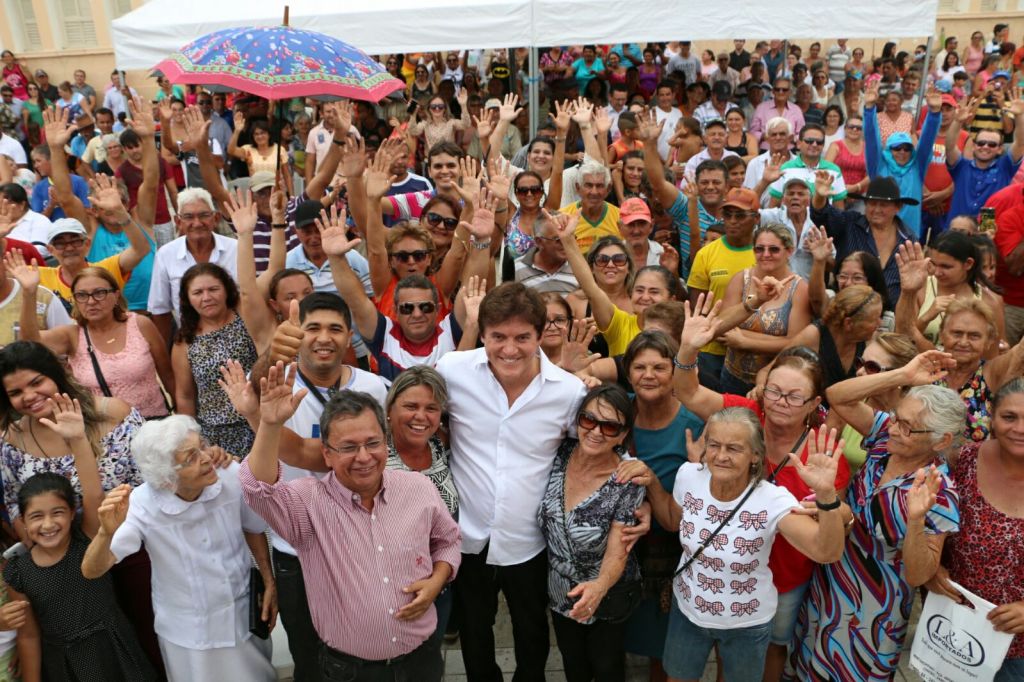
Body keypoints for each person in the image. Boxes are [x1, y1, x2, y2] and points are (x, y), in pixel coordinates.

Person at [241, 365, 462, 682]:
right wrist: (270, 425)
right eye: (348, 447)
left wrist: (436, 581)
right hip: (351, 672)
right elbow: (257, 490)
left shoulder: (417, 488)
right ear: (327, 454)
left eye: (372, 443)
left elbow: (448, 542)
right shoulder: (307, 504)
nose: (363, 457)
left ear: (385, 442)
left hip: (422, 661)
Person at [434, 283, 592, 680]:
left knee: (532, 631)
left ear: (540, 335)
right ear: (482, 333)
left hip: (530, 540)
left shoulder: (569, 392)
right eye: (498, 337)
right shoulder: (453, 371)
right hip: (467, 535)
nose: (509, 348)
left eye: (522, 337)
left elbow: (591, 449)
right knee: (473, 630)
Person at [617, 408, 846, 682]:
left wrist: (826, 496)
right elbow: (670, 520)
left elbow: (826, 551)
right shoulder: (688, 475)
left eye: (734, 448)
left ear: (755, 456)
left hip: (746, 623)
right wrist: (653, 481)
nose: (721, 456)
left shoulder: (772, 500)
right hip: (688, 612)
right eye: (714, 445)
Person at [799, 359, 965, 681]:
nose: (894, 427)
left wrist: (916, 521)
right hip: (831, 579)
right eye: (897, 418)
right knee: (809, 665)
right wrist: (902, 374)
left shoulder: (940, 494)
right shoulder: (884, 440)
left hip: (872, 610)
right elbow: (838, 396)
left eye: (906, 426)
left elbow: (919, 574)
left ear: (941, 441)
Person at [81, 416, 277, 682]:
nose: (207, 458)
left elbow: (253, 527)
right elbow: (92, 570)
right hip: (188, 633)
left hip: (241, 618)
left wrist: (268, 579)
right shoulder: (140, 504)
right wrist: (105, 532)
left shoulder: (229, 475)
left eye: (203, 446)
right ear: (166, 479)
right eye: (191, 457)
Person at [4, 468, 156, 681]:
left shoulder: (89, 539)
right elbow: (29, 636)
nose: (48, 524)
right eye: (36, 516)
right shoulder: (18, 572)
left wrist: (77, 439)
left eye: (57, 512)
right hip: (65, 666)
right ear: (23, 521)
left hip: (115, 650)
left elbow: (94, 495)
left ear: (73, 512)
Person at [539, 383, 644, 682]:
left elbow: (618, 549)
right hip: (560, 588)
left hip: (607, 592)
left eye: (610, 426)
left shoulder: (628, 478)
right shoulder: (560, 453)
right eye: (589, 420)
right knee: (573, 664)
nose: (596, 431)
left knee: (606, 666)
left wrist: (598, 587)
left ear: (623, 434)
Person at [929, 378, 1024, 682]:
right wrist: (934, 568)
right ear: (992, 417)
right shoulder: (964, 460)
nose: (1020, 428)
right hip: (957, 630)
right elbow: (935, 523)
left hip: (1018, 648)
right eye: (1009, 417)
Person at [12, 258, 173, 419]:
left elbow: (168, 375)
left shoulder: (140, 324)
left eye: (99, 293)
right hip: (106, 431)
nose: (91, 301)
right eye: (82, 295)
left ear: (116, 295)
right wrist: (29, 293)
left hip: (154, 425)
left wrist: (183, 416)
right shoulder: (72, 335)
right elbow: (30, 341)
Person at [896, 243, 1024, 442]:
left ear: (989, 340)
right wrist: (908, 292)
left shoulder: (993, 372)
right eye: (956, 333)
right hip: (921, 465)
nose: (963, 342)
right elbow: (905, 334)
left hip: (975, 471)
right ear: (942, 333)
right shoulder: (930, 361)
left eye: (974, 336)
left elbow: (1020, 353)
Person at [559, 209, 678, 357]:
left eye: (654, 292)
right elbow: (591, 289)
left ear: (671, 300)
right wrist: (567, 239)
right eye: (639, 290)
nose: (645, 297)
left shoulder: (679, 332)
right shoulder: (621, 325)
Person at [171, 263, 257, 457]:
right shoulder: (184, 341)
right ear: (188, 299)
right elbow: (185, 396)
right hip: (215, 437)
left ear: (226, 290)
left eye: (213, 289)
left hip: (257, 421)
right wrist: (194, 441)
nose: (206, 298)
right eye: (198, 292)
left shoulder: (247, 319)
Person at [719, 224, 811, 396]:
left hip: (775, 384)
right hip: (732, 376)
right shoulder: (741, 279)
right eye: (759, 249)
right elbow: (721, 327)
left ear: (789, 251)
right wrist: (772, 340)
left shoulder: (799, 289)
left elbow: (795, 343)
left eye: (774, 249)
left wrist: (744, 341)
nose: (766, 255)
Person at [686, 187, 760, 391]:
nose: (733, 220)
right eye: (728, 215)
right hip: (711, 349)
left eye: (740, 215)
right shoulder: (706, 254)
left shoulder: (764, 253)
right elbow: (696, 305)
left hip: (752, 348)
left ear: (756, 218)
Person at [148, 187, 239, 343]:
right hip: (190, 341)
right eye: (189, 217)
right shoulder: (165, 255)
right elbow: (160, 310)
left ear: (216, 218)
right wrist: (164, 356)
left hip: (237, 336)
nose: (197, 223)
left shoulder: (236, 248)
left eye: (204, 215)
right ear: (178, 222)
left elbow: (248, 297)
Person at [811, 172, 916, 304]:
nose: (877, 209)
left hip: (890, 317)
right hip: (847, 310)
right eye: (872, 203)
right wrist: (820, 198)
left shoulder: (909, 240)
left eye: (883, 205)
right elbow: (822, 215)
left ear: (898, 207)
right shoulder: (849, 223)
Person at [864, 84, 942, 240]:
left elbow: (927, 140)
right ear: (888, 150)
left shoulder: (917, 167)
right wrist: (869, 108)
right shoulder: (879, 166)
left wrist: (934, 113)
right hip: (878, 236)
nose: (902, 152)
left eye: (907, 148)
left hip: (908, 238)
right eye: (897, 148)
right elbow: (872, 138)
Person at [903, 231, 1005, 346]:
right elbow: (901, 340)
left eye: (945, 266)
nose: (937, 272)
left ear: (968, 264)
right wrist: (926, 318)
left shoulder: (990, 302)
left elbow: (993, 354)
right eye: (934, 264)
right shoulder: (919, 289)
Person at [945, 94, 1024, 228]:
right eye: (981, 143)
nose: (985, 147)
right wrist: (957, 122)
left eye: (992, 144)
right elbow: (950, 147)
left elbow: (1020, 143)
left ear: (999, 149)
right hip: (955, 231)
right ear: (974, 146)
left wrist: (1019, 117)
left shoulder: (1004, 167)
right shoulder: (961, 167)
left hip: (985, 231)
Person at [750, 77, 805, 149]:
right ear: (773, 91)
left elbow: (802, 134)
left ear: (790, 92)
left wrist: (793, 138)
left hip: (789, 151)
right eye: (777, 89)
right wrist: (763, 136)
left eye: (784, 90)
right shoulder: (761, 108)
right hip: (766, 151)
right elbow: (752, 132)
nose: (780, 92)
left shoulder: (796, 110)